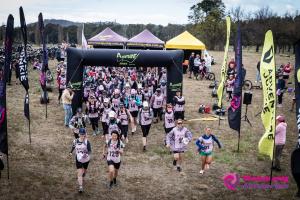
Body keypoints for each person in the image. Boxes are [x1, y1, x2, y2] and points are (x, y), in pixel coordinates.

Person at [69, 128, 91, 193]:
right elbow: (73, 146)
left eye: (83, 134)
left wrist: (86, 154)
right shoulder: (75, 141)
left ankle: (83, 174)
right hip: (78, 159)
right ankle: (80, 187)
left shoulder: (87, 142)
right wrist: (71, 152)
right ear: (79, 134)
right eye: (81, 134)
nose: (82, 136)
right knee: (79, 173)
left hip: (86, 159)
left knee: (85, 170)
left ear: (85, 134)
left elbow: (90, 151)